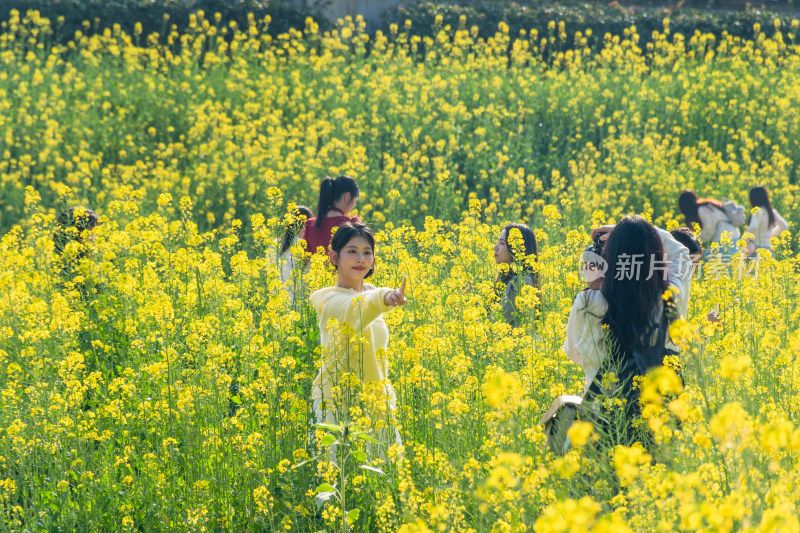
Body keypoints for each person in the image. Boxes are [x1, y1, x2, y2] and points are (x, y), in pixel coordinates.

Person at [564, 216, 692, 445]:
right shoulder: (668, 299)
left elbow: (574, 352)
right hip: (654, 421)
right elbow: (681, 255)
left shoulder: (586, 302)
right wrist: (641, 232)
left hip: (600, 418)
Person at [309, 222, 407, 454]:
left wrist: (384, 296)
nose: (360, 258)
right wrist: (386, 297)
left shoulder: (372, 293)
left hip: (375, 401)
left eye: (367, 252)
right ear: (334, 257)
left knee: (389, 477)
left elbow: (368, 300)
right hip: (333, 402)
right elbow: (357, 306)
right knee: (335, 481)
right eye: (352, 251)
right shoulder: (328, 300)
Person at [493, 222, 539, 327]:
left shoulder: (521, 281)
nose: (495, 247)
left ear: (516, 247)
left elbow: (498, 320)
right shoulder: (508, 279)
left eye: (502, 243)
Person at [303, 175, 360, 255]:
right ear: (347, 196)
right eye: (355, 200)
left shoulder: (310, 225)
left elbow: (302, 261)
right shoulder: (351, 225)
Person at [744, 185, 789, 256]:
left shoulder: (756, 211)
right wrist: (770, 234)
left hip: (756, 249)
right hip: (769, 249)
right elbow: (785, 226)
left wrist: (744, 240)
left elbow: (753, 227)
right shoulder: (771, 212)